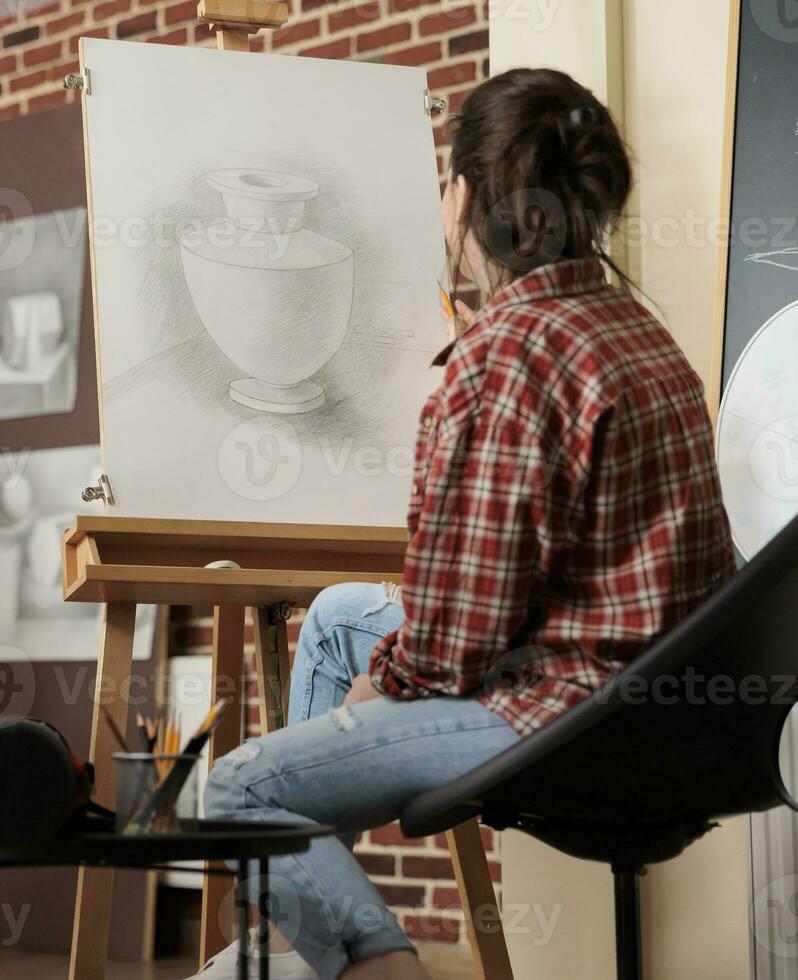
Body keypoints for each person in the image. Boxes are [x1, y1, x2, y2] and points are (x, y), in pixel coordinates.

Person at [191, 68, 735, 980]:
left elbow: (450, 647)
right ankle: (300, 950)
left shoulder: (506, 354)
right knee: (335, 618)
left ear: (466, 198)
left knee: (242, 787)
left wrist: (368, 701)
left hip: (569, 713)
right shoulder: (641, 330)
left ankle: (375, 966)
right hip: (673, 705)